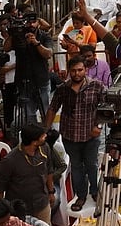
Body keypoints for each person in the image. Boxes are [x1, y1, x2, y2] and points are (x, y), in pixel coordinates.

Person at [45, 55, 105, 211]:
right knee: (76, 167)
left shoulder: (97, 86)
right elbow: (53, 108)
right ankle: (81, 196)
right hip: (70, 135)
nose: (77, 73)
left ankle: (95, 192)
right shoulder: (62, 89)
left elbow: (107, 108)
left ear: (85, 70)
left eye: (80, 70)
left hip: (91, 135)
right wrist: (45, 130)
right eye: (73, 71)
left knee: (92, 165)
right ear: (69, 72)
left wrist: (98, 125)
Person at [0, 124, 55, 225]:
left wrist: (51, 192)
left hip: (42, 203)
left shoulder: (45, 148)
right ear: (34, 141)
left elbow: (49, 170)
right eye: (42, 136)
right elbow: (0, 187)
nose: (45, 136)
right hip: (19, 210)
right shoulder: (10, 161)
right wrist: (0, 212)